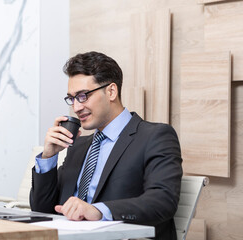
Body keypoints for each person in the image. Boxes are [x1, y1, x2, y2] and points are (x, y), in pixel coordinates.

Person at [30, 51, 183, 239]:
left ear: (111, 91)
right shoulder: (78, 146)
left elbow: (163, 201)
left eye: (83, 96)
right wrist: (49, 157)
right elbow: (41, 210)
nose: (76, 107)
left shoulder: (155, 136)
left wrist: (99, 211)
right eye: (72, 98)